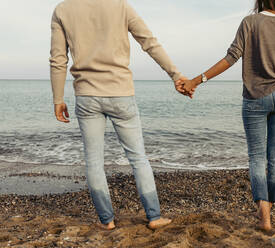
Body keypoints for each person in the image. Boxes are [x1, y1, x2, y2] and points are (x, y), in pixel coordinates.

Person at [49, 0, 189, 230]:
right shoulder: (120, 5)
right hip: (120, 93)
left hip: (87, 95)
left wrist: (58, 99)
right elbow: (149, 43)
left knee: (94, 162)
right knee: (138, 158)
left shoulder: (63, 10)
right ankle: (154, 217)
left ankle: (107, 221)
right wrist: (176, 75)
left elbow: (58, 59)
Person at [182, 0, 275, 231]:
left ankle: (264, 214)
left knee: (257, 157)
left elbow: (231, 57)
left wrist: (196, 81)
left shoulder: (250, 22)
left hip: (255, 99)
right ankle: (269, 209)